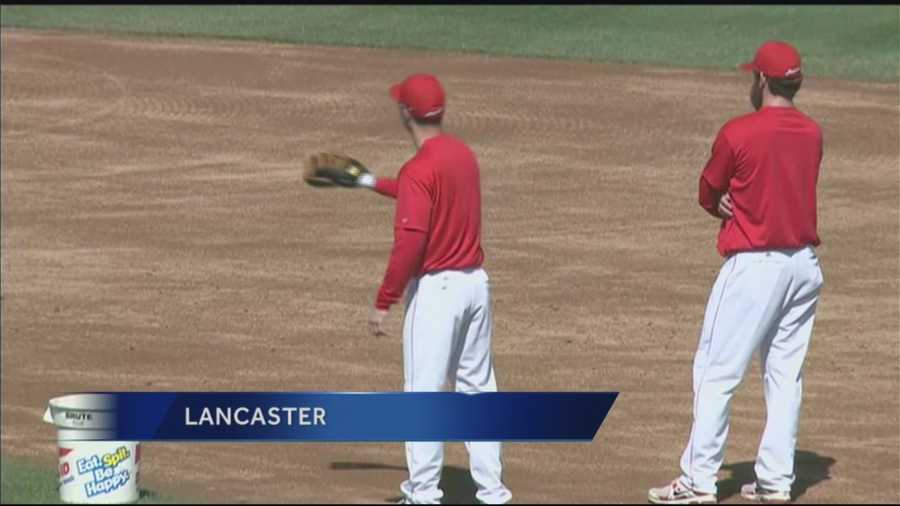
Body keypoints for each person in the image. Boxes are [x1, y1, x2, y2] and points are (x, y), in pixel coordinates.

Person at [648, 41, 825, 505]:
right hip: (803, 269)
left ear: (762, 80)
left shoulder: (739, 132)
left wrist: (719, 203)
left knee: (715, 371)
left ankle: (697, 481)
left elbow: (709, 188)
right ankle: (775, 481)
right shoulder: (812, 132)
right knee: (785, 376)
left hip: (755, 269)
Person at [358, 73, 512, 505]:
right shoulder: (462, 155)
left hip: (438, 295)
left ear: (406, 113)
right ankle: (493, 492)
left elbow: (411, 241)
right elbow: (426, 189)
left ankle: (422, 494)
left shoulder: (419, 169)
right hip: (476, 289)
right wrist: (372, 182)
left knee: (423, 395)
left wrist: (384, 301)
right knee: (478, 389)